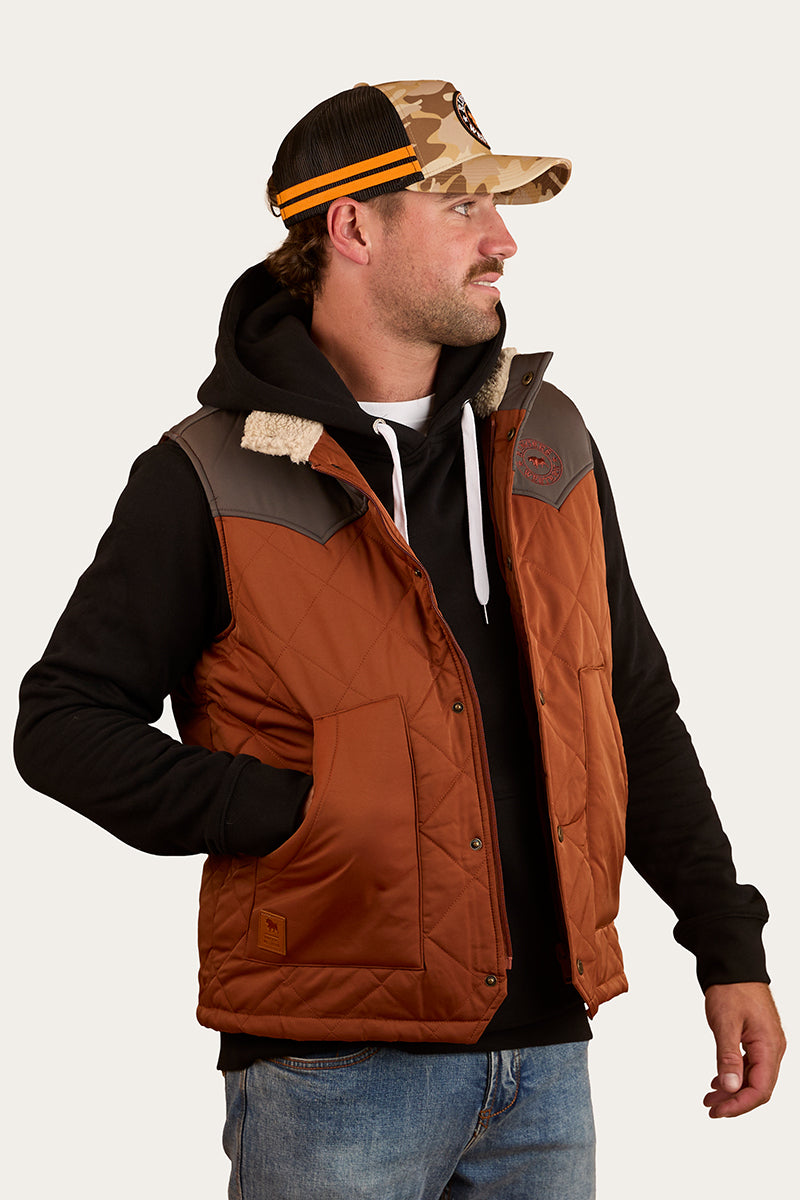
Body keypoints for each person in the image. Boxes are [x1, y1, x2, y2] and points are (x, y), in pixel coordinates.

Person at [14, 79, 785, 1199]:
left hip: (547, 1060)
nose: (503, 241)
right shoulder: (209, 474)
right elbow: (63, 724)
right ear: (353, 227)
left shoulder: (546, 440)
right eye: (462, 206)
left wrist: (725, 942)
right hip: (333, 1067)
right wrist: (295, 813)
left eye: (497, 208)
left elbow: (629, 704)